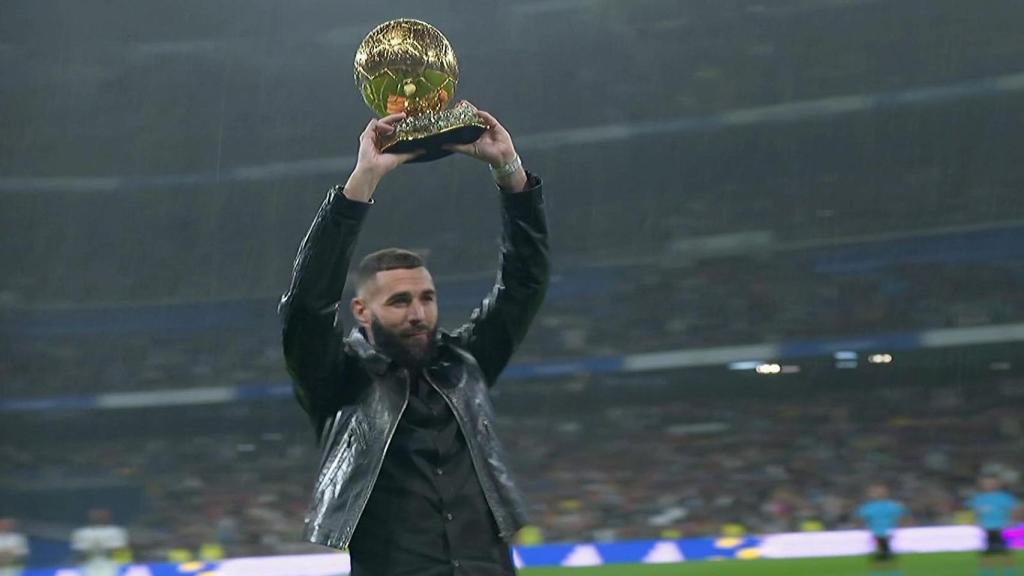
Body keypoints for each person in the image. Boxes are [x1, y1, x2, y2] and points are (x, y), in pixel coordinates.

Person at [279, 105, 549, 576]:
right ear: (361, 312)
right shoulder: (337, 382)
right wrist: (361, 183)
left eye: (427, 297)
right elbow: (306, 307)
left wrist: (510, 171)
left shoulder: (466, 364)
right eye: (400, 301)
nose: (419, 314)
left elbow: (524, 284)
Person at [967, 476, 1020, 576]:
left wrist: (1010, 522)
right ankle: (986, 572)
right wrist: (976, 522)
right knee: (986, 553)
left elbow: (1013, 511)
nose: (988, 485)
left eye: (991, 483)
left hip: (1001, 528)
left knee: (1004, 552)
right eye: (986, 483)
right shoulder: (979, 498)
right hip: (986, 528)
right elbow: (975, 513)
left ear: (997, 484)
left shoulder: (1004, 497)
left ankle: (1009, 572)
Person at [855, 484, 906, 576]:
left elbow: (902, 518)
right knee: (883, 553)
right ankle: (887, 572)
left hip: (885, 533)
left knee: (884, 553)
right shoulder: (870, 507)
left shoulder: (889, 506)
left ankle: (887, 572)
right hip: (879, 533)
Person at [69, 508, 130, 576]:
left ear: (108, 515)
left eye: (102, 513)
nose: (99, 515)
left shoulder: (117, 532)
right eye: (96, 513)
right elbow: (78, 555)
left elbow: (122, 555)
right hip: (86, 567)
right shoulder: (80, 533)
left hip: (112, 567)